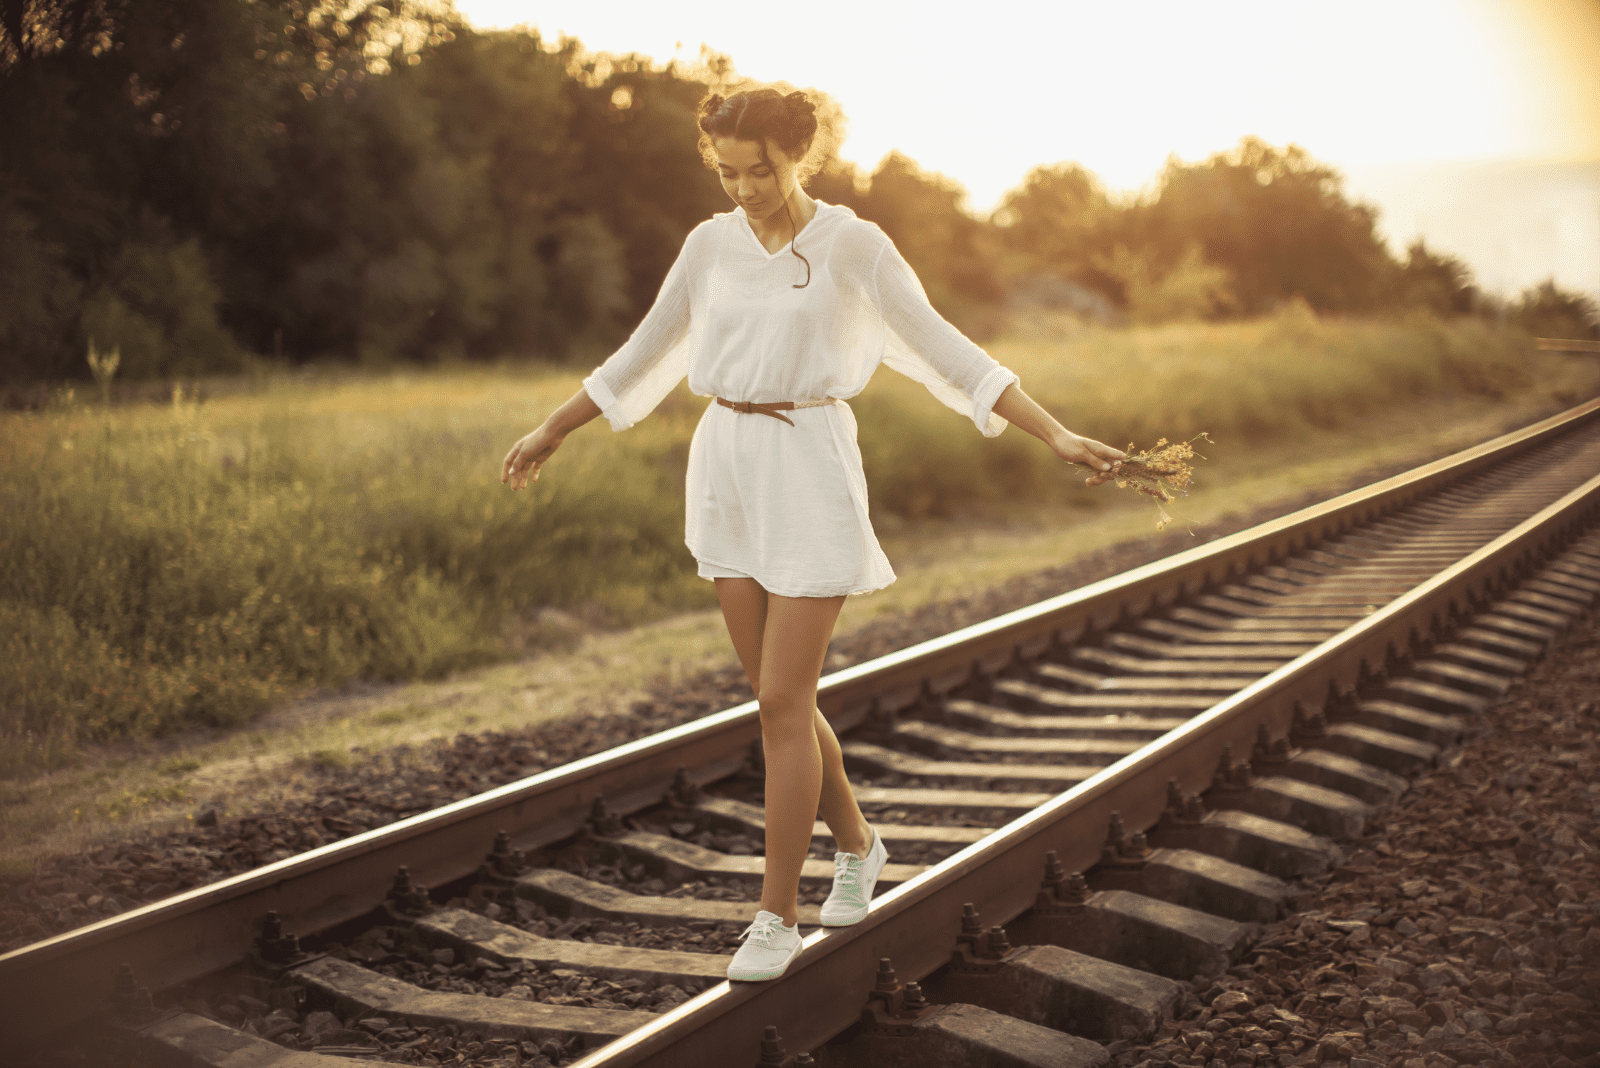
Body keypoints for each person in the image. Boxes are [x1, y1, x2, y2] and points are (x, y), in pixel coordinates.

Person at [501, 85, 1124, 983]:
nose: (745, 188)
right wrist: (555, 425)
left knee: (782, 704)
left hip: (810, 464)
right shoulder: (709, 245)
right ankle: (861, 847)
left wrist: (1056, 430)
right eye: (727, 172)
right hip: (726, 464)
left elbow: (948, 350)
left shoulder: (853, 246)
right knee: (776, 697)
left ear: (802, 155)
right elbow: (646, 348)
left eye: (762, 170)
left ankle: (774, 916)